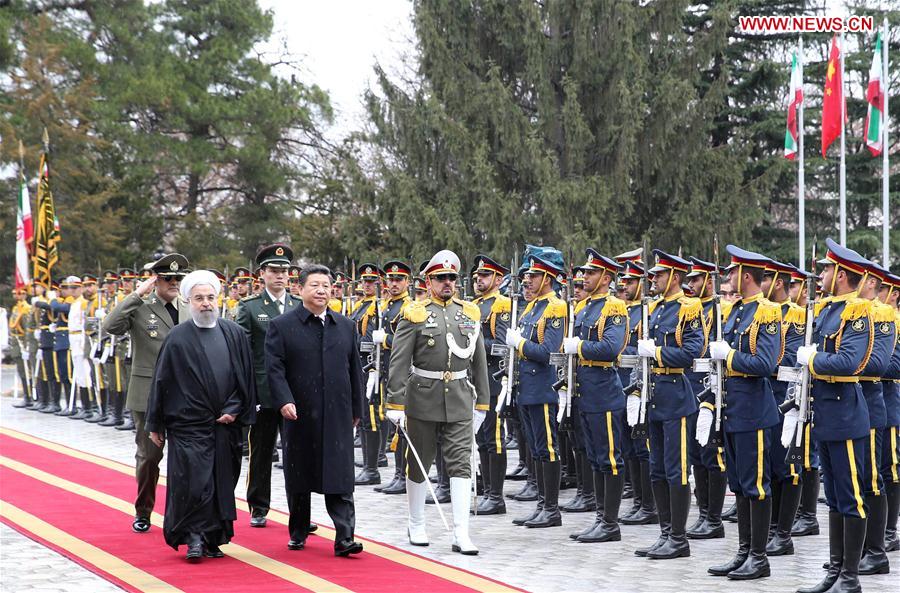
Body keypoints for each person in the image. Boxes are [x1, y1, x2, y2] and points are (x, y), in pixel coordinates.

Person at [385, 249, 491, 555]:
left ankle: (461, 532)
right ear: (428, 281)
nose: (447, 283)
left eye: (451, 278)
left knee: (461, 465)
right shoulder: (415, 313)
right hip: (422, 398)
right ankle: (416, 522)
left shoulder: (469, 313)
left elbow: (479, 362)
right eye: (440, 278)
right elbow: (399, 361)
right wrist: (394, 402)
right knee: (419, 462)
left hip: (459, 398)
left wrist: (482, 402)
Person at [146, 270, 256, 561]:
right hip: (188, 424)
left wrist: (234, 409)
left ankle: (212, 537)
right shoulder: (177, 338)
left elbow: (244, 378)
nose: (205, 303)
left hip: (226, 426)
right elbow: (162, 381)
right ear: (187, 301)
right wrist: (154, 423)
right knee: (194, 482)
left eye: (210, 297)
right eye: (198, 298)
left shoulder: (234, 333)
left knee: (221, 481)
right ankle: (193, 537)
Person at [266, 264, 365, 557]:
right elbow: (274, 368)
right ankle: (298, 530)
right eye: (315, 285)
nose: (321, 291)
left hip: (337, 412)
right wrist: (284, 400)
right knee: (300, 474)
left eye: (326, 285)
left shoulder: (345, 326)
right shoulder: (282, 326)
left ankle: (345, 537)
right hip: (299, 411)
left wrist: (357, 407)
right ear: (300, 289)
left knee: (340, 474)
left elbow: (354, 370)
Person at [794, 239, 873, 593]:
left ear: (841, 274)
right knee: (836, 497)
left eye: (827, 269)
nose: (822, 274)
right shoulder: (826, 310)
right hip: (826, 415)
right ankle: (836, 570)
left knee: (851, 495)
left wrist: (812, 360)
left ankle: (851, 578)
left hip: (845, 413)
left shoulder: (857, 311)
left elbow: (849, 362)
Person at [702, 246, 782, 580]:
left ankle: (759, 558)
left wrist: (730, 356)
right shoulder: (734, 311)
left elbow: (766, 364)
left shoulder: (766, 312)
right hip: (733, 409)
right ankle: (744, 552)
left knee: (756, 486)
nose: (728, 277)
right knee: (739, 484)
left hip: (754, 411)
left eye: (733, 272)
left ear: (746, 275)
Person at [103, 253, 190, 533]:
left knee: (186, 458)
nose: (174, 283)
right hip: (149, 393)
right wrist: (137, 295)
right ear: (156, 280)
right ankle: (144, 510)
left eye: (179, 278)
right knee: (150, 456)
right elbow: (110, 326)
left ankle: (181, 513)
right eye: (168, 278)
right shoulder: (141, 306)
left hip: (186, 395)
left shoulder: (189, 307)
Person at [631, 250, 703, 560]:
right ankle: (664, 533)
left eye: (659, 274)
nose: (653, 279)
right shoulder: (655, 309)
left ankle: (678, 537)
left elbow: (691, 352)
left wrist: (657, 353)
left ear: (674, 277)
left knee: (676, 471)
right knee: (657, 469)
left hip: (676, 394)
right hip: (655, 396)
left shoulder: (688, 308)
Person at [564, 249, 629, 543]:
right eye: (584, 273)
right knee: (596, 458)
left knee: (610, 459)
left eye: (590, 273)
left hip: (604, 390)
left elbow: (610, 348)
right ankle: (601, 518)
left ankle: (610, 523)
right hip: (585, 390)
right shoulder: (585, 307)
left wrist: (578, 347)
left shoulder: (614, 308)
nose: (584, 277)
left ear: (606, 277)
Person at [237, 244, 300, 528]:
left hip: (294, 391)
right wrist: (248, 391)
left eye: (284, 271)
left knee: (296, 453)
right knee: (261, 451)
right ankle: (258, 506)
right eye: (274, 271)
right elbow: (243, 352)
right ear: (262, 273)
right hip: (262, 391)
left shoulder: (299, 305)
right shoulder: (250, 307)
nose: (280, 276)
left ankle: (298, 508)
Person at [471, 255, 512, 515]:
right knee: (482, 438)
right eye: (477, 276)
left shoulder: (502, 305)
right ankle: (486, 489)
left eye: (484, 275)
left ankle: (496, 496)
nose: (478, 279)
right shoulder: (473, 305)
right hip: (474, 380)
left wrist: (473, 336)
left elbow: (501, 345)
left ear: (498, 279)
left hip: (493, 380)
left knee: (494, 438)